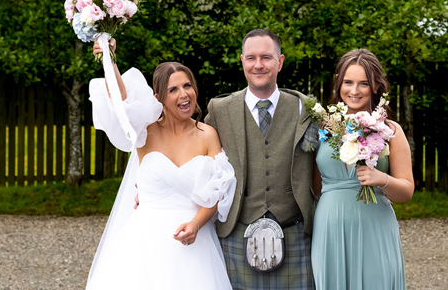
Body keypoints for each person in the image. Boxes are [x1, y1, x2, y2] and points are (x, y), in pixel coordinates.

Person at [85, 39, 236, 290]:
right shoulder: (145, 132)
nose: (184, 94)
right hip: (145, 244)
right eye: (173, 89)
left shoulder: (207, 134)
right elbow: (121, 104)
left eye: (188, 85)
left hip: (194, 245)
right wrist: (109, 60)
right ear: (159, 98)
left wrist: (196, 223)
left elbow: (218, 192)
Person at [204, 29, 317, 290]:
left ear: (280, 62)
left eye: (266, 57)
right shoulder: (220, 110)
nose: (258, 65)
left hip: (295, 230)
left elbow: (329, 161)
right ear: (242, 61)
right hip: (237, 231)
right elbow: (194, 152)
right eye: (251, 58)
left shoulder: (306, 109)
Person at [311, 48, 414, 290]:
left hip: (375, 226)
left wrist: (381, 179)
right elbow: (315, 187)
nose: (354, 90)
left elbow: (407, 191)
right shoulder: (323, 129)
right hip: (330, 226)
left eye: (363, 83)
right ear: (338, 83)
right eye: (348, 82)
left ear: (376, 86)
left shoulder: (390, 131)